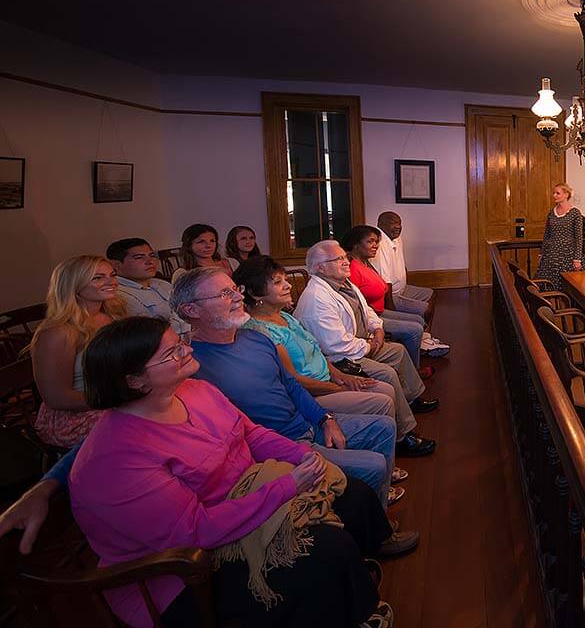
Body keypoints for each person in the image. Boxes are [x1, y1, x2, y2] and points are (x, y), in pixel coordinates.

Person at [55, 317, 402, 628]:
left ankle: (351, 582)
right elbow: (194, 531)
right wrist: (286, 486)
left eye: (180, 342)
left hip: (240, 498)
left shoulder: (195, 390)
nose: (186, 350)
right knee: (327, 548)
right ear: (134, 381)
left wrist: (302, 455)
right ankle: (349, 600)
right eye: (172, 353)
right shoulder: (116, 459)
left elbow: (250, 432)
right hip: (179, 571)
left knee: (352, 493)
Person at [170, 268, 401, 505]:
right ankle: (372, 524)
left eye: (235, 290)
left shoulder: (256, 338)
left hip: (307, 423)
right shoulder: (192, 366)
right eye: (224, 294)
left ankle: (374, 506)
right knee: (373, 466)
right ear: (191, 310)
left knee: (383, 426)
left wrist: (325, 419)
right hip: (277, 446)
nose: (239, 297)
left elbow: (291, 385)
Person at [235, 255, 413, 488]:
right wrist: (340, 385)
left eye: (285, 279)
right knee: (382, 398)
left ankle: (386, 462)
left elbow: (317, 353)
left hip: (327, 379)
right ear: (256, 294)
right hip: (313, 393)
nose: (288, 285)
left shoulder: (285, 317)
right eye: (278, 282)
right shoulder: (261, 332)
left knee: (384, 390)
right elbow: (295, 381)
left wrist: (344, 377)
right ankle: (378, 473)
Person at [295, 241, 439, 459]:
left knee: (398, 351)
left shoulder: (343, 283)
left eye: (345, 257)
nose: (345, 262)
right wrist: (370, 345)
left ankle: (411, 399)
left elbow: (367, 311)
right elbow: (338, 346)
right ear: (320, 268)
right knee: (387, 373)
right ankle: (403, 435)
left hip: (364, 342)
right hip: (342, 358)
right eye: (338, 259)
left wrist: (377, 329)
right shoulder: (317, 299)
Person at [30, 255, 126, 447]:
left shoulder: (112, 316)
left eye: (112, 274)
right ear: (73, 285)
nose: (111, 282)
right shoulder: (58, 332)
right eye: (98, 277)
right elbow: (57, 398)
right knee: (145, 428)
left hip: (115, 398)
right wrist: (123, 397)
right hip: (77, 414)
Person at [342, 225, 432, 367]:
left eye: (377, 242)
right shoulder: (353, 268)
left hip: (379, 312)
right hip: (369, 318)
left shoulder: (365, 263)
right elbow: (355, 305)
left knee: (419, 320)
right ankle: (414, 368)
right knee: (415, 329)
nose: (375, 246)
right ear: (355, 245)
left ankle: (413, 356)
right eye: (370, 241)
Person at [372, 211, 447, 354]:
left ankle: (425, 337)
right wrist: (391, 308)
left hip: (403, 288)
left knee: (430, 294)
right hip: (392, 294)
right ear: (381, 225)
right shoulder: (380, 244)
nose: (398, 227)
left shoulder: (396, 238)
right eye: (393, 223)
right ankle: (421, 341)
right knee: (426, 309)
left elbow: (401, 264)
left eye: (399, 223)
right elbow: (386, 281)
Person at [106, 237, 189, 335]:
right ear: (116, 264)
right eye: (139, 257)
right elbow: (152, 332)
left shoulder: (162, 283)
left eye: (152, 255)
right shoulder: (118, 294)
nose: (150, 261)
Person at [535, 182, 585, 291]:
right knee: (545, 284)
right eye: (554, 193)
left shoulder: (575, 213)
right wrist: (541, 253)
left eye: (557, 193)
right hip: (551, 255)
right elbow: (547, 234)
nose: (554, 195)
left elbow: (579, 237)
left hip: (568, 256)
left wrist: (577, 259)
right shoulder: (551, 213)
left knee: (568, 285)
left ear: (566, 195)